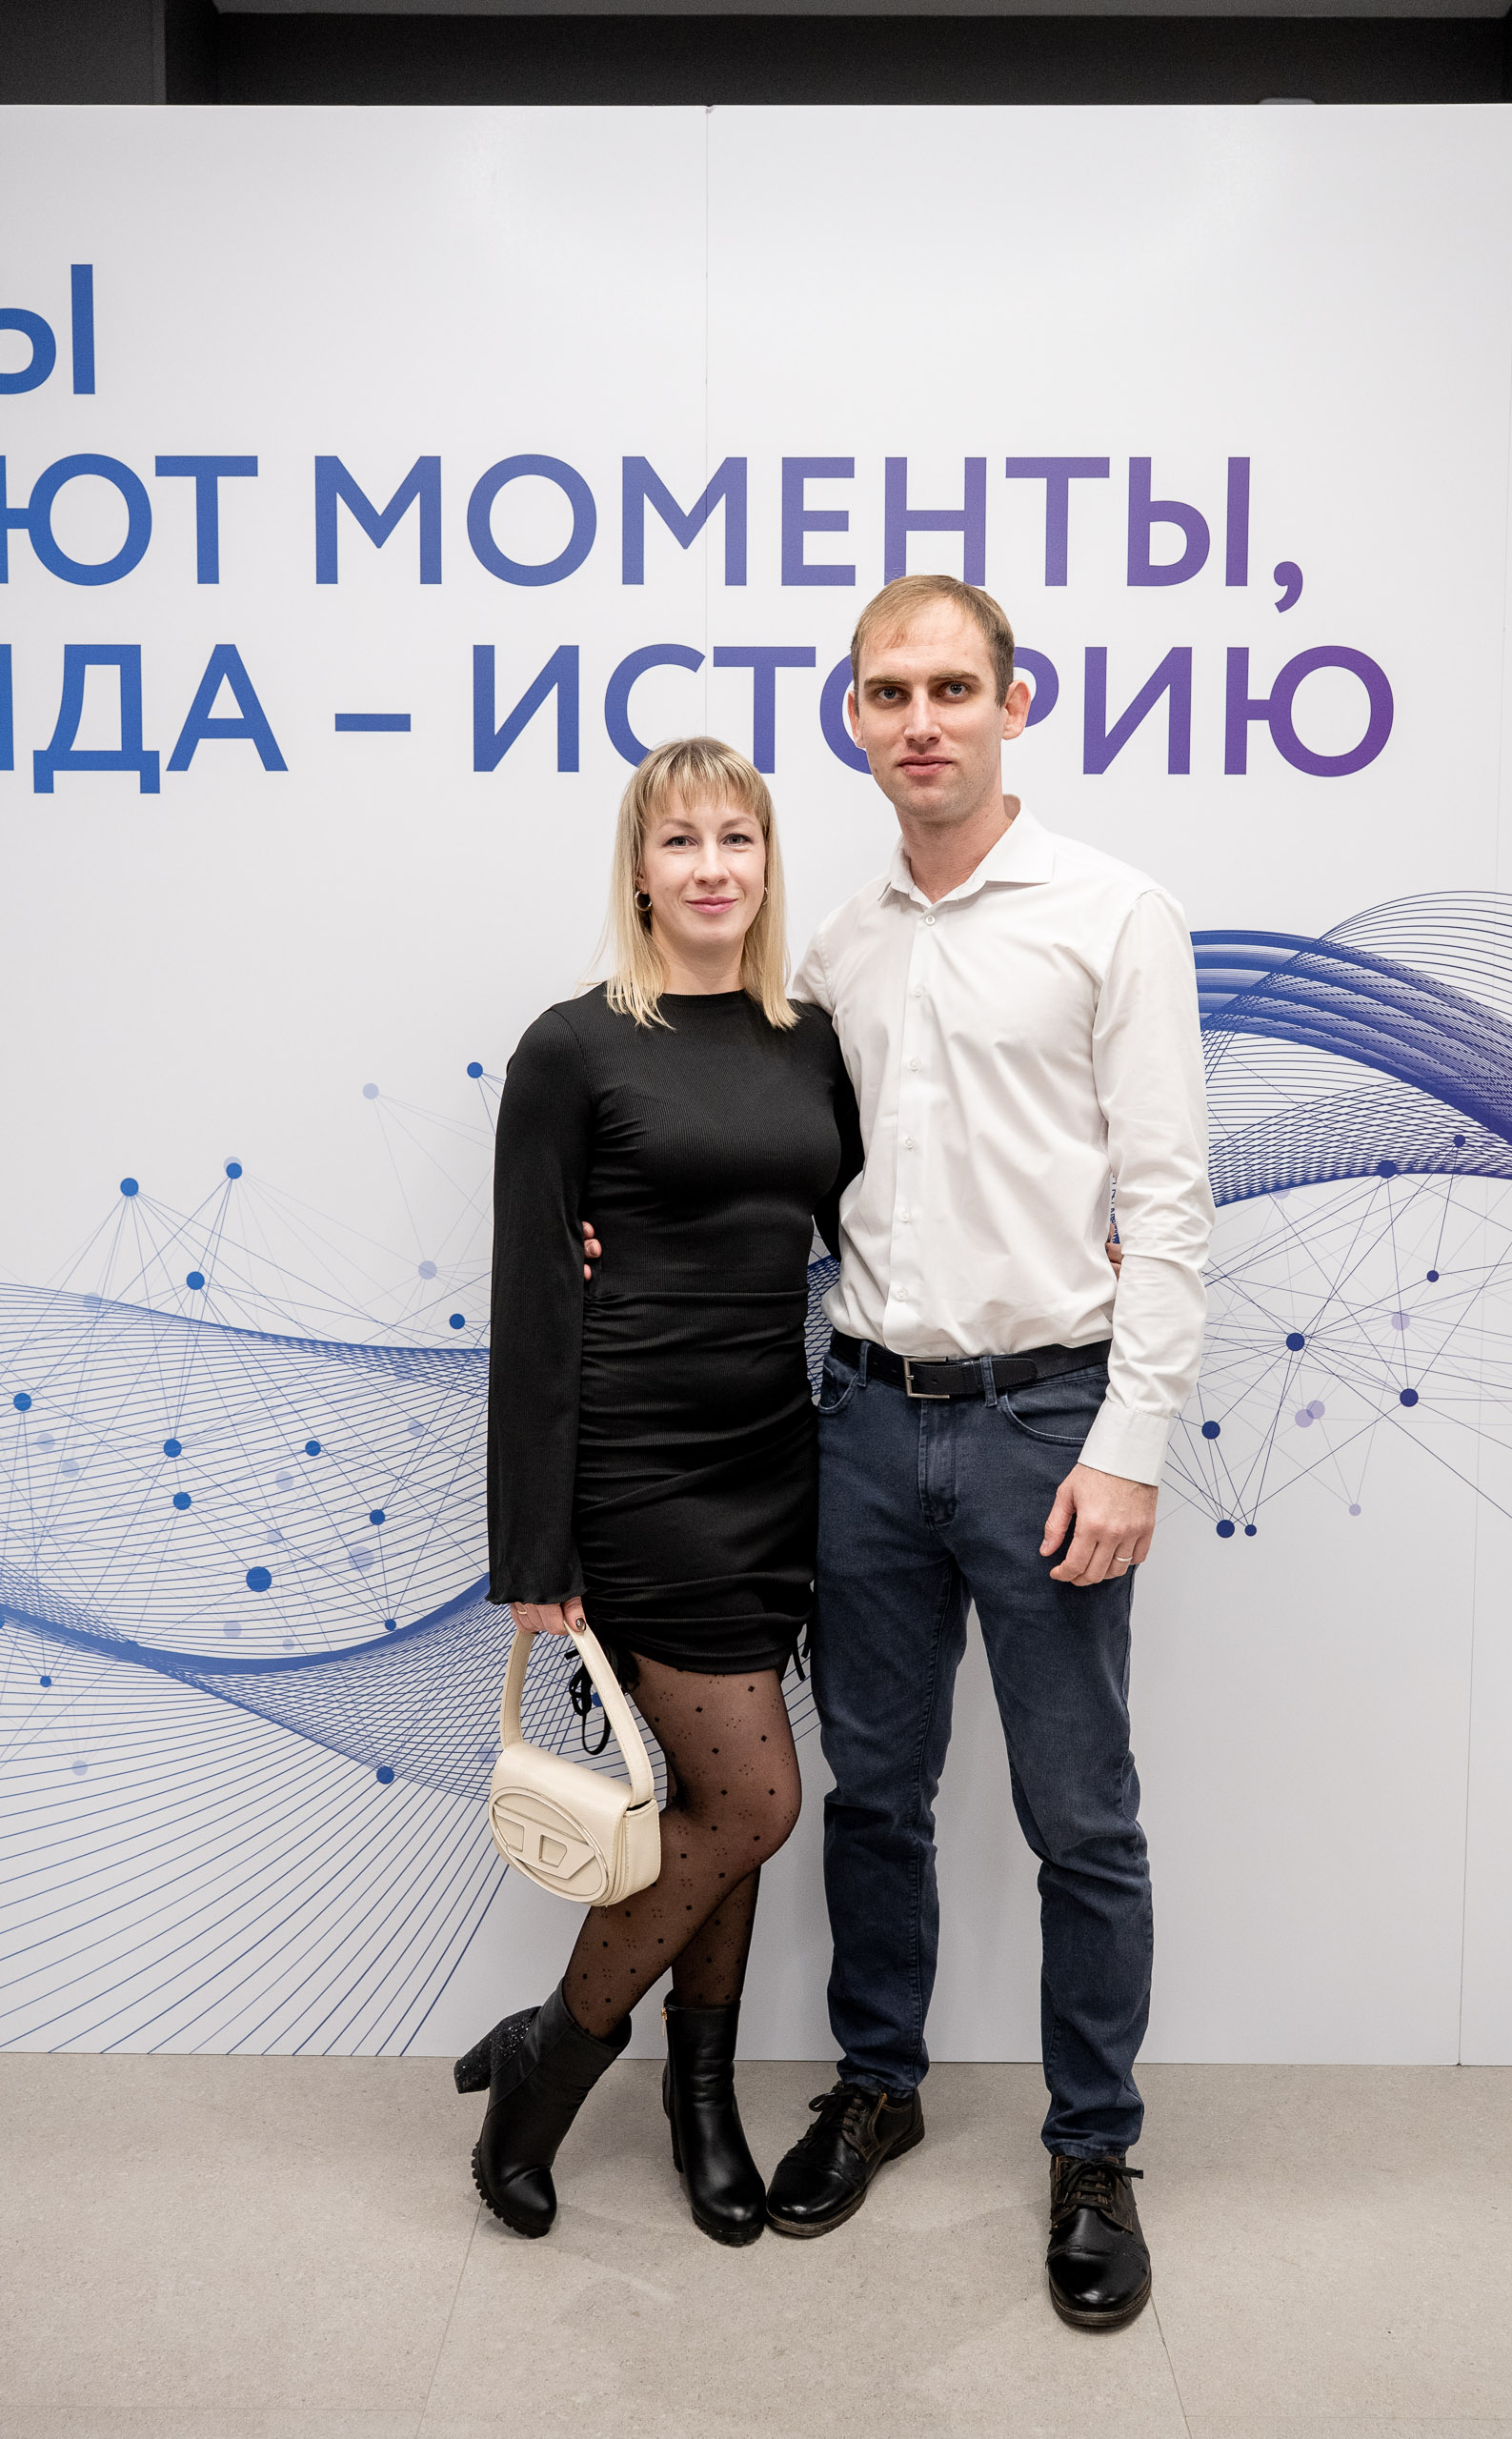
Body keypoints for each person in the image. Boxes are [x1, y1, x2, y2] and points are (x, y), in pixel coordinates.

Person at [763, 574, 1214, 2332]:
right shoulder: (836, 945)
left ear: (1016, 704)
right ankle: (878, 2082)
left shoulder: (1114, 915)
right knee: (875, 1797)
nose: (921, 720)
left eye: (953, 687)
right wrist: (607, 1218)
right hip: (866, 1423)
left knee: (1079, 1817)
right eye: (889, 693)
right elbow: (761, 1149)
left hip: (1048, 1426)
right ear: (855, 719)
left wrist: (1132, 1446)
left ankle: (1094, 2149)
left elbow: (1168, 1206)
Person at [457, 736, 860, 2248]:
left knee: (713, 1805)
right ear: (638, 868)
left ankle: (704, 2109)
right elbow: (531, 1302)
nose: (710, 867)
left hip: (776, 1460)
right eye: (680, 840)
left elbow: (887, 1218)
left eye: (736, 839)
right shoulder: (574, 1047)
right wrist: (533, 1547)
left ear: (767, 861)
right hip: (640, 1473)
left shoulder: (811, 1043)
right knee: (756, 1801)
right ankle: (550, 2062)